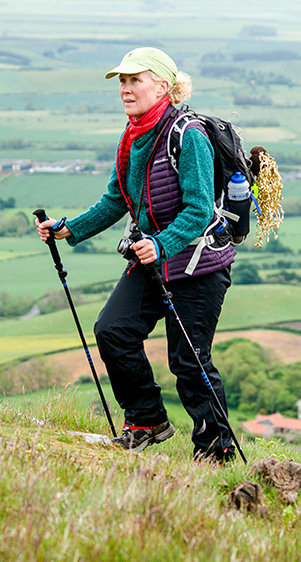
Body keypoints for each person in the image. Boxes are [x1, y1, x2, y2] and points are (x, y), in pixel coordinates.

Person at [37, 46, 236, 462]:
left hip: (198, 264)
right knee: (112, 330)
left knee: (188, 361)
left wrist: (162, 243)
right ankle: (147, 420)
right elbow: (115, 201)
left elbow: (199, 209)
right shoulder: (132, 137)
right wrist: (68, 228)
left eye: (135, 80)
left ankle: (215, 453)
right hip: (152, 261)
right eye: (123, 82)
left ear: (163, 86)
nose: (126, 89)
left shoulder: (189, 136)